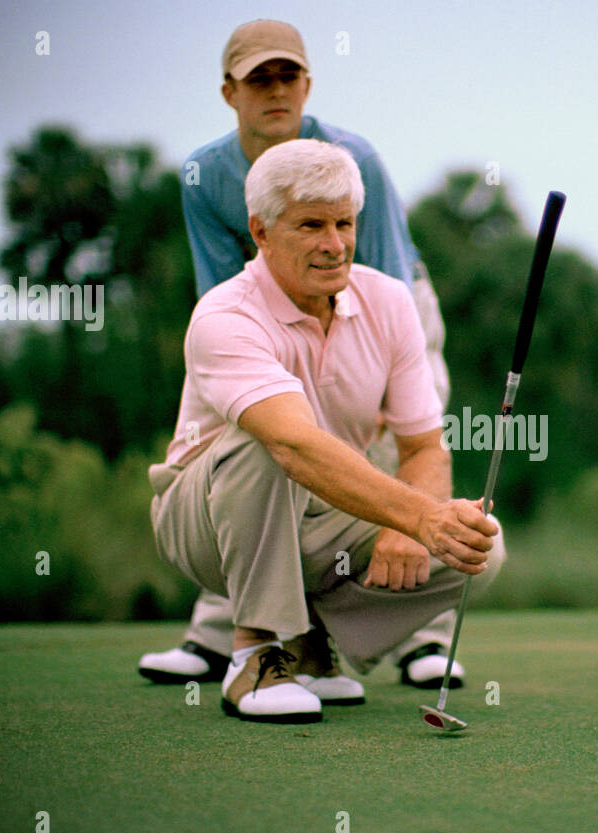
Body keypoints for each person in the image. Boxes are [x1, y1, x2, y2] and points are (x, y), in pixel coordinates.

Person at [139, 19, 464, 698]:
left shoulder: (355, 158)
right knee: (271, 442)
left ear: (308, 83)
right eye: (260, 78)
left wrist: (364, 378)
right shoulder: (204, 175)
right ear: (230, 91)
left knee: (395, 469)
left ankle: (405, 639)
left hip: (381, 301)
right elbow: (221, 281)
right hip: (271, 302)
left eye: (288, 75)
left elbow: (372, 273)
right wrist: (241, 354)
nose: (276, 90)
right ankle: (239, 642)